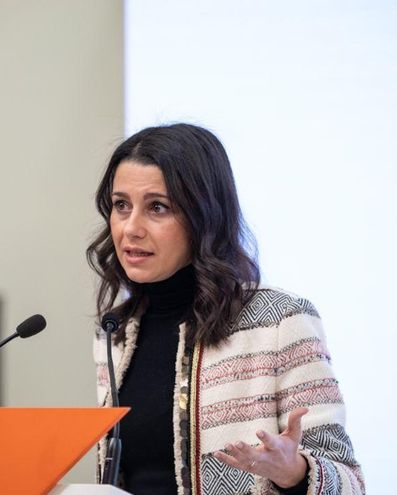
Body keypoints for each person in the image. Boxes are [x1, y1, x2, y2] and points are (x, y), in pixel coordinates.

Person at [88, 123, 365, 495]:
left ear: (204, 215)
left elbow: (349, 484)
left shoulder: (279, 321)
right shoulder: (116, 331)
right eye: (122, 205)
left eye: (158, 207)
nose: (130, 228)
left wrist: (294, 472)